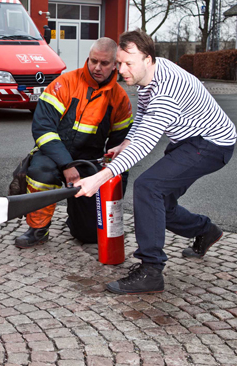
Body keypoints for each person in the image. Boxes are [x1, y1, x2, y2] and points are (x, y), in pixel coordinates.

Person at [75, 29, 236, 295]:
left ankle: (151, 271)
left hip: (212, 144)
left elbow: (147, 142)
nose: (121, 70)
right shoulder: (149, 75)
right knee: (160, 202)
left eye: (129, 63)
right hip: (187, 139)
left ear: (148, 59)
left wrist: (100, 177)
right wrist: (124, 144)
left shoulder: (166, 90)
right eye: (119, 63)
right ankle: (205, 230)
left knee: (148, 187)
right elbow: (143, 118)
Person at [15, 37, 133, 248]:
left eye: (104, 63)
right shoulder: (64, 84)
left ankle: (78, 218)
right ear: (88, 59)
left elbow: (120, 148)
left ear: (114, 65)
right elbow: (43, 129)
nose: (97, 67)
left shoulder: (120, 99)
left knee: (88, 235)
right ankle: (38, 229)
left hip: (89, 162)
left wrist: (110, 183)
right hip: (52, 155)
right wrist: (66, 164)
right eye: (93, 61)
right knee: (41, 173)